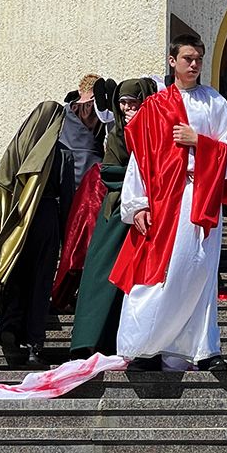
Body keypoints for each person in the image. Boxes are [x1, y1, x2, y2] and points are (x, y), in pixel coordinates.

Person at [110, 35, 227, 372]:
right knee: (159, 273)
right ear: (172, 61)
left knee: (199, 272)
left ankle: (203, 349)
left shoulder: (215, 104)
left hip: (201, 197)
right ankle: (145, 348)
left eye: (198, 58)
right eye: (187, 58)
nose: (194, 64)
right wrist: (137, 204)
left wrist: (200, 142)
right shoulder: (155, 107)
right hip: (164, 199)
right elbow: (141, 160)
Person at [68, 77, 157, 358]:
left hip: (154, 212)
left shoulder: (158, 130)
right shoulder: (118, 133)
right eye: (123, 103)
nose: (128, 108)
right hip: (117, 211)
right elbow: (109, 170)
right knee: (102, 273)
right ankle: (89, 340)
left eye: (134, 102)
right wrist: (136, 181)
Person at [0, 101, 73, 368]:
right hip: (46, 219)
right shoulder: (62, 155)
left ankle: (9, 326)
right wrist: (67, 235)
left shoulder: (17, 149)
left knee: (15, 275)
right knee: (40, 282)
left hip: (16, 219)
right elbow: (67, 197)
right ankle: (34, 344)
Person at [60, 74, 107, 188]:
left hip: (66, 169)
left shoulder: (63, 111)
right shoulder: (102, 111)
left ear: (80, 91)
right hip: (92, 168)